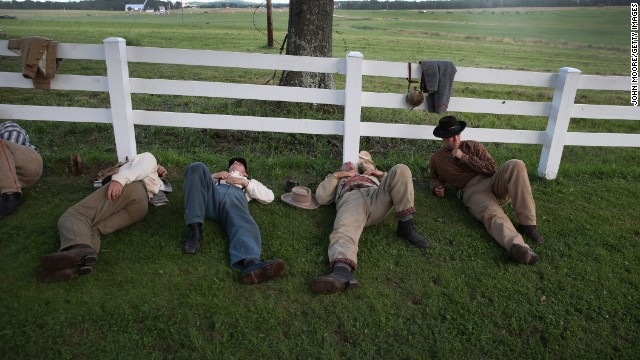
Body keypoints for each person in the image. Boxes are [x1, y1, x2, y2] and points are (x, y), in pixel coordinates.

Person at [37, 152, 170, 282]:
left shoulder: (144, 157)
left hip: (131, 188)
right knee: (93, 229)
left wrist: (119, 180)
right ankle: (74, 266)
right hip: (140, 208)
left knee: (74, 215)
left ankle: (77, 251)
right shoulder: (154, 178)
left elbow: (144, 164)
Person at [428, 115, 544, 265]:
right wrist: (436, 187)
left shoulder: (473, 146)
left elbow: (491, 168)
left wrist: (464, 157)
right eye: (450, 136)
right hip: (472, 190)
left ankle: (528, 224)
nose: (456, 139)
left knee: (516, 164)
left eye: (457, 134)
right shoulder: (437, 159)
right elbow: (433, 177)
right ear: (443, 138)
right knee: (492, 214)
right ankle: (517, 247)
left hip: (493, 180)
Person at [311, 151, 430, 295]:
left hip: (375, 196)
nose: (351, 166)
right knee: (344, 230)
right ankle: (341, 272)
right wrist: (337, 175)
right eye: (347, 165)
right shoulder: (339, 179)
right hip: (351, 199)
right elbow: (322, 198)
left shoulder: (372, 175)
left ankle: (405, 226)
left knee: (401, 168)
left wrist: (378, 174)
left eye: (355, 164)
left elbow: (397, 185)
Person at [181, 157, 285, 285]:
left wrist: (243, 182)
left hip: (234, 202)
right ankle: (195, 233)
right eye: (233, 163)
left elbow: (269, 196)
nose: (235, 163)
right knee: (197, 166)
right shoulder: (217, 177)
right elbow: (195, 184)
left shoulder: (249, 181)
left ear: (245, 172)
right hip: (211, 199)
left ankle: (250, 264)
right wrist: (215, 176)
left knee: (243, 222)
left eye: (239, 163)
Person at [0, 121, 43, 218]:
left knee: (1, 145)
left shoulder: (7, 126)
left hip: (28, 165)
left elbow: (9, 148)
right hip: (9, 178)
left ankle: (11, 194)